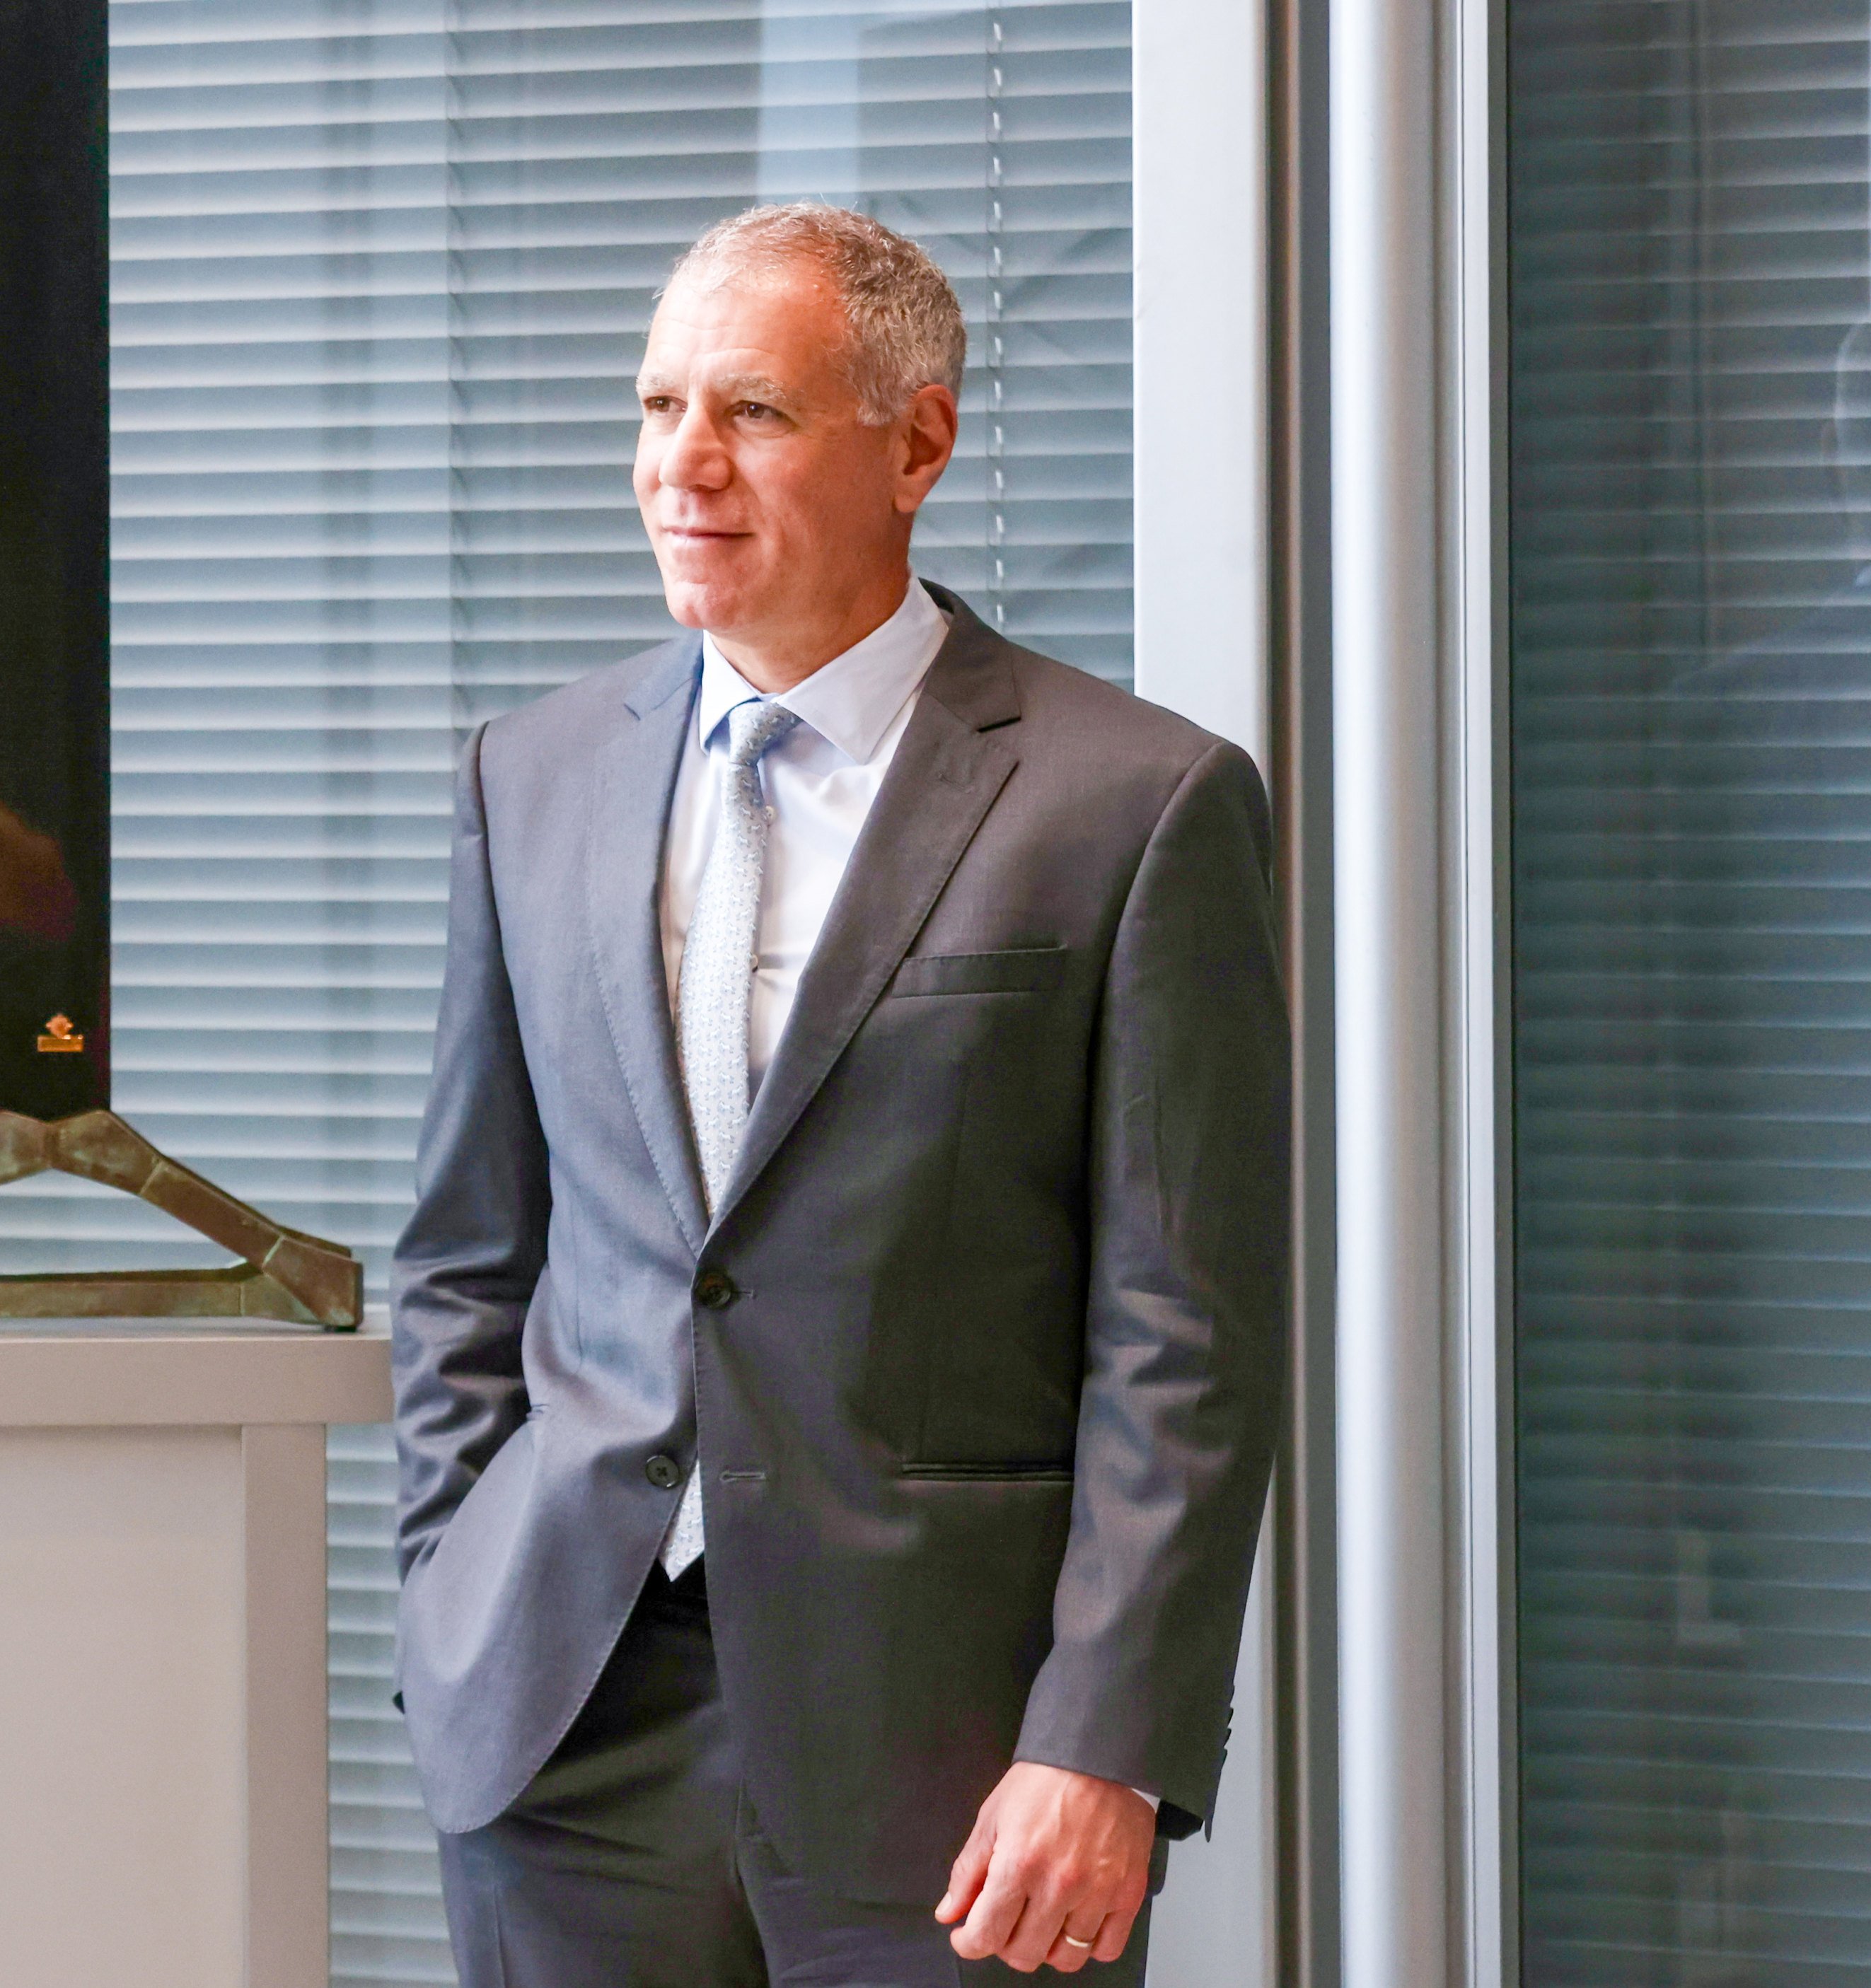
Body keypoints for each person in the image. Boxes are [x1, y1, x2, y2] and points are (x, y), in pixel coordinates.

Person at [390, 203, 1288, 1985]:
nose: (680, 467)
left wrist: (1103, 1738)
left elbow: (1180, 1333)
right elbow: (463, 1254)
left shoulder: (1135, 803)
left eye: (752, 413)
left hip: (954, 1762)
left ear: (917, 443)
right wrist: (450, 1592)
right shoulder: (532, 776)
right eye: (655, 410)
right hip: (564, 1717)